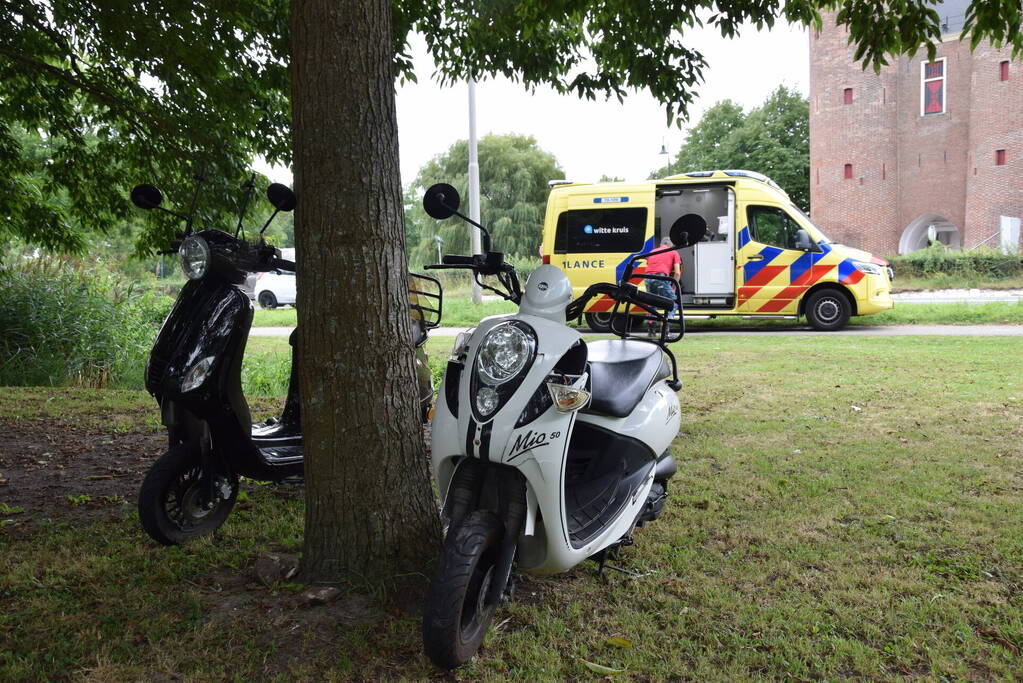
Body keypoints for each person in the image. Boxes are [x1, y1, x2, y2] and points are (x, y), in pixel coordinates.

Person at [642, 236, 681, 319]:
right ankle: (665, 326)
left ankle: (651, 328)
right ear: (671, 245)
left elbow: (650, 267)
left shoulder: (652, 251)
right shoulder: (673, 252)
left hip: (647, 278)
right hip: (661, 278)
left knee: (652, 304)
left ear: (660, 244)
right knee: (672, 303)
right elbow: (677, 273)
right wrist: (673, 288)